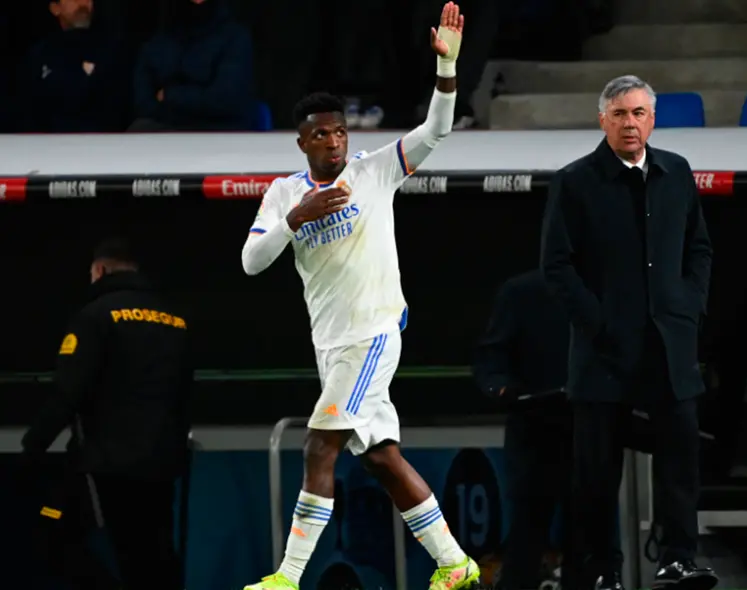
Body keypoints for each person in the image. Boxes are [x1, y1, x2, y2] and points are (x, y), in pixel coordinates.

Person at [240, 4, 480, 590]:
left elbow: (436, 131)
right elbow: (251, 262)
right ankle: (455, 563)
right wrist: (295, 219)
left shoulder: (374, 171)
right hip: (332, 345)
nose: (334, 141)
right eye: (321, 134)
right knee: (380, 458)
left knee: (318, 446)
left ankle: (287, 577)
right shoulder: (284, 195)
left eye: (340, 131)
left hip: (371, 336)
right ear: (302, 141)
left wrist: (446, 68)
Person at [539, 75, 718, 590]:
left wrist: (688, 308)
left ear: (652, 119)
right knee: (597, 472)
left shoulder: (676, 172)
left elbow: (699, 248)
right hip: (603, 352)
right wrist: (598, 322)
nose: (630, 123)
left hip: (668, 344)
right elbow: (556, 265)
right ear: (603, 121)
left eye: (638, 113)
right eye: (619, 114)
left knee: (681, 458)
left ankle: (678, 559)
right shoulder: (574, 181)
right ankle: (602, 572)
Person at [20, 237, 192, 590]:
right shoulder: (175, 320)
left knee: (56, 537)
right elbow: (185, 392)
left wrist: (33, 446)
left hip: (104, 466)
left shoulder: (95, 316)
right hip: (163, 464)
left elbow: (69, 390)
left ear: (99, 270)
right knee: (153, 555)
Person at [472, 269, 572, 590]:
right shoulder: (522, 292)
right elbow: (491, 359)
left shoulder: (609, 287)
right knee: (528, 531)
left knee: (591, 534)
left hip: (590, 432)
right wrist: (501, 387)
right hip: (534, 431)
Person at [130, 0, 255, 131]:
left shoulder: (235, 39)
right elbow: (144, 103)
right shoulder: (157, 42)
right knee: (139, 129)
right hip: (167, 128)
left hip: (221, 131)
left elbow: (225, 100)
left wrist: (170, 96)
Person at [16, 0, 131, 132]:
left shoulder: (113, 50)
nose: (83, 3)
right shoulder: (40, 54)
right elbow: (29, 110)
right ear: (55, 8)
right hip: (49, 141)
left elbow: (119, 107)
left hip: (102, 140)